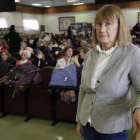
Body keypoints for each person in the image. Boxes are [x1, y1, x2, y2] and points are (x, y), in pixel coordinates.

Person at [76, 4, 140, 140]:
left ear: (120, 25)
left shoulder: (132, 53)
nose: (102, 29)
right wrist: (79, 119)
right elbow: (83, 90)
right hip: (88, 123)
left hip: (114, 127)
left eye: (108, 24)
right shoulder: (90, 55)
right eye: (98, 24)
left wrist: (138, 109)